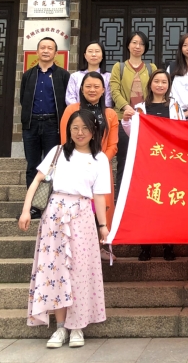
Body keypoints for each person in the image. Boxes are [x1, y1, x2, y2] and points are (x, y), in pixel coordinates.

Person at [18, 109, 112, 349]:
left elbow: (99, 196)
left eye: (85, 128)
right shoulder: (57, 152)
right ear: (68, 130)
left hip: (82, 215)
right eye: (75, 128)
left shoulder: (100, 159)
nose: (80, 133)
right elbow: (37, 181)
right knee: (56, 271)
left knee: (79, 271)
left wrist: (103, 226)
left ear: (94, 131)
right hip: (54, 216)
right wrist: (26, 210)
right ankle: (60, 328)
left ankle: (77, 326)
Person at [122, 69, 185, 262]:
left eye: (164, 82)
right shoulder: (140, 108)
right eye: (156, 81)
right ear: (150, 84)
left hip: (170, 163)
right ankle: (145, 246)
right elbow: (133, 134)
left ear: (168, 85)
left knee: (168, 204)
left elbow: (183, 132)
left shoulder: (175, 106)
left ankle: (168, 245)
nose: (160, 85)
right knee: (147, 203)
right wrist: (126, 120)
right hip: (147, 163)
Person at [60, 72, 118, 261]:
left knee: (103, 207)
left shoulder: (110, 114)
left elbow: (113, 145)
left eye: (96, 87)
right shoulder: (71, 110)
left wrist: (99, 162)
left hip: (101, 168)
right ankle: (74, 246)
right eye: (88, 86)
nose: (92, 90)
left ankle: (102, 246)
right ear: (81, 89)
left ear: (103, 90)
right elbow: (65, 139)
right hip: (76, 167)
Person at [20, 36, 70, 218]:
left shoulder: (63, 75)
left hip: (53, 125)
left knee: (52, 167)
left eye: (50, 48)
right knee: (32, 165)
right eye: (43, 47)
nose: (46, 51)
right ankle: (33, 207)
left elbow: (66, 101)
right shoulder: (28, 75)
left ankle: (50, 205)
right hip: (32, 124)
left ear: (56, 53)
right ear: (37, 51)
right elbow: (23, 100)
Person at [110, 31, 157, 199]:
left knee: (146, 161)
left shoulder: (152, 68)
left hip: (145, 121)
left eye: (141, 44)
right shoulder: (119, 67)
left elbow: (156, 91)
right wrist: (126, 107)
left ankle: (142, 198)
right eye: (134, 42)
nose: (138, 46)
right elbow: (114, 90)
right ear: (128, 45)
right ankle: (121, 200)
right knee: (124, 160)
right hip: (124, 119)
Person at [65, 40, 112, 108]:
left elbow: (108, 100)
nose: (93, 54)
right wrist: (81, 112)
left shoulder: (109, 77)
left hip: (102, 113)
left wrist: (97, 111)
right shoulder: (75, 76)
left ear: (102, 56)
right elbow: (70, 99)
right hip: (78, 113)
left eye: (97, 51)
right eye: (90, 51)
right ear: (85, 55)